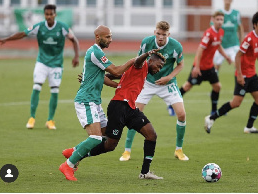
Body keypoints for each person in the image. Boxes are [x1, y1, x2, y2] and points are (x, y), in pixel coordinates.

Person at [61, 50, 166, 181]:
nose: (159, 69)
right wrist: (146, 54)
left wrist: (89, 78)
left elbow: (110, 76)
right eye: (158, 65)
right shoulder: (142, 64)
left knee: (151, 135)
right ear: (150, 61)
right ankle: (76, 155)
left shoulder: (141, 71)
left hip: (131, 108)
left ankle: (145, 172)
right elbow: (138, 61)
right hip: (119, 107)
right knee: (110, 145)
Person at [58, 25, 139, 181]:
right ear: (98, 37)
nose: (111, 39)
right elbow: (116, 71)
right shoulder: (95, 52)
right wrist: (133, 61)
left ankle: (75, 151)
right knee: (95, 138)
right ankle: (68, 165)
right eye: (108, 37)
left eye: (111, 36)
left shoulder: (97, 53)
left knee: (105, 137)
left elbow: (101, 77)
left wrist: (118, 86)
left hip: (94, 101)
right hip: (85, 100)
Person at [0, 4, 80, 130]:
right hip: (42, 63)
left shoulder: (62, 27)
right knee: (36, 87)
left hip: (56, 65)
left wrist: (76, 56)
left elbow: (74, 40)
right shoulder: (39, 26)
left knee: (55, 90)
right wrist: (6, 39)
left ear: (55, 15)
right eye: (47, 14)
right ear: (44, 15)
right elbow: (23, 34)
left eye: (51, 14)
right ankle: (32, 118)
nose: (49, 16)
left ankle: (50, 120)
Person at [119, 21, 189, 161]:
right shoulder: (146, 43)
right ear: (154, 32)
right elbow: (138, 61)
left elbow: (180, 64)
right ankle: (126, 151)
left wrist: (168, 77)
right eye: (158, 34)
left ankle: (179, 150)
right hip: (147, 82)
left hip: (167, 83)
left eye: (164, 34)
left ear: (168, 34)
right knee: (134, 113)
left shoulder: (176, 46)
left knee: (181, 114)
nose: (161, 37)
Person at [204, 10, 258, 134]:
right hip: (243, 75)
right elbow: (238, 56)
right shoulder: (249, 39)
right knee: (236, 103)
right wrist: (239, 75)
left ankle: (249, 127)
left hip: (252, 74)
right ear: (255, 25)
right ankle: (211, 118)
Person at [179, 11, 232, 116]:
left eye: (221, 19)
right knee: (187, 86)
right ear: (213, 20)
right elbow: (199, 50)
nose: (220, 21)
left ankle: (214, 110)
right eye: (217, 19)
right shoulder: (209, 33)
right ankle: (171, 106)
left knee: (217, 86)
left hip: (210, 67)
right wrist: (197, 67)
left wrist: (226, 57)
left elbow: (218, 45)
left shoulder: (221, 32)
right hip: (200, 68)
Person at [213, 0, 244, 72]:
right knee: (215, 68)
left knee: (238, 64)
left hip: (234, 44)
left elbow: (240, 27)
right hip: (221, 45)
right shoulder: (218, 13)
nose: (227, 1)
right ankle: (215, 82)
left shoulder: (236, 13)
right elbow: (213, 28)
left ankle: (238, 82)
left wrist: (242, 40)